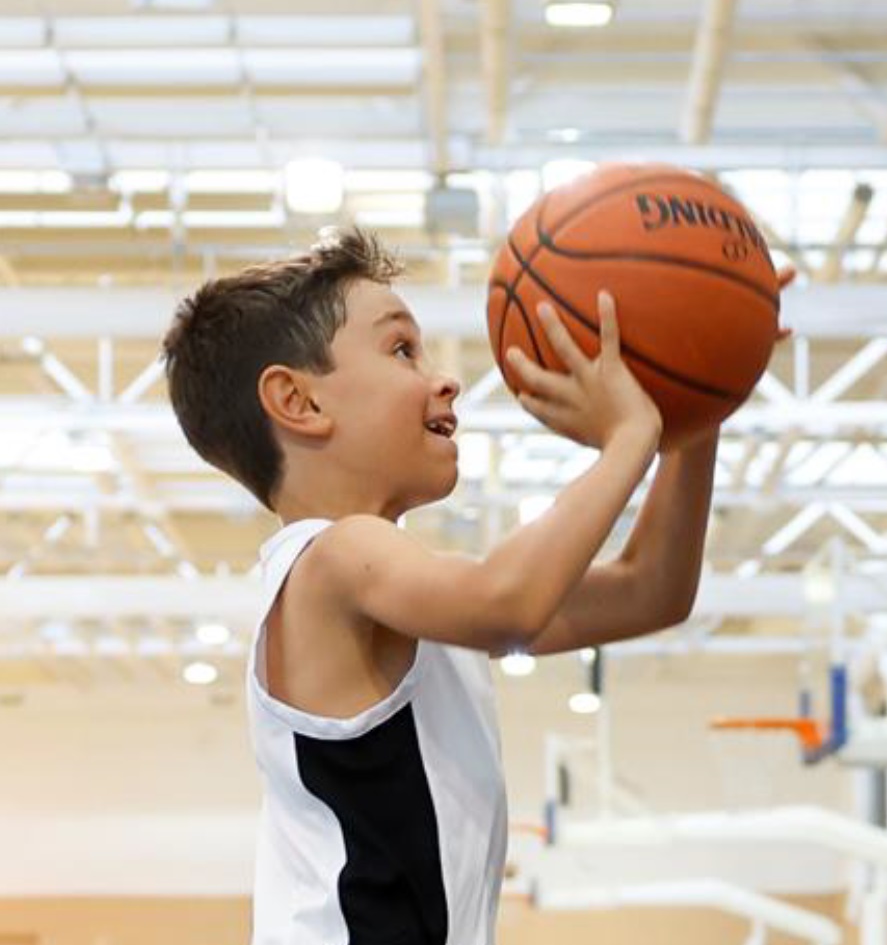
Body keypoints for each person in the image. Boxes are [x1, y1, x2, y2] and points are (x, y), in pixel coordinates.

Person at [162, 226, 789, 945]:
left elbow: (653, 588)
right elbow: (509, 604)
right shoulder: (334, 557)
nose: (443, 377)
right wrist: (628, 438)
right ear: (298, 402)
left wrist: (693, 407)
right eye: (400, 349)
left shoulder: (401, 593)